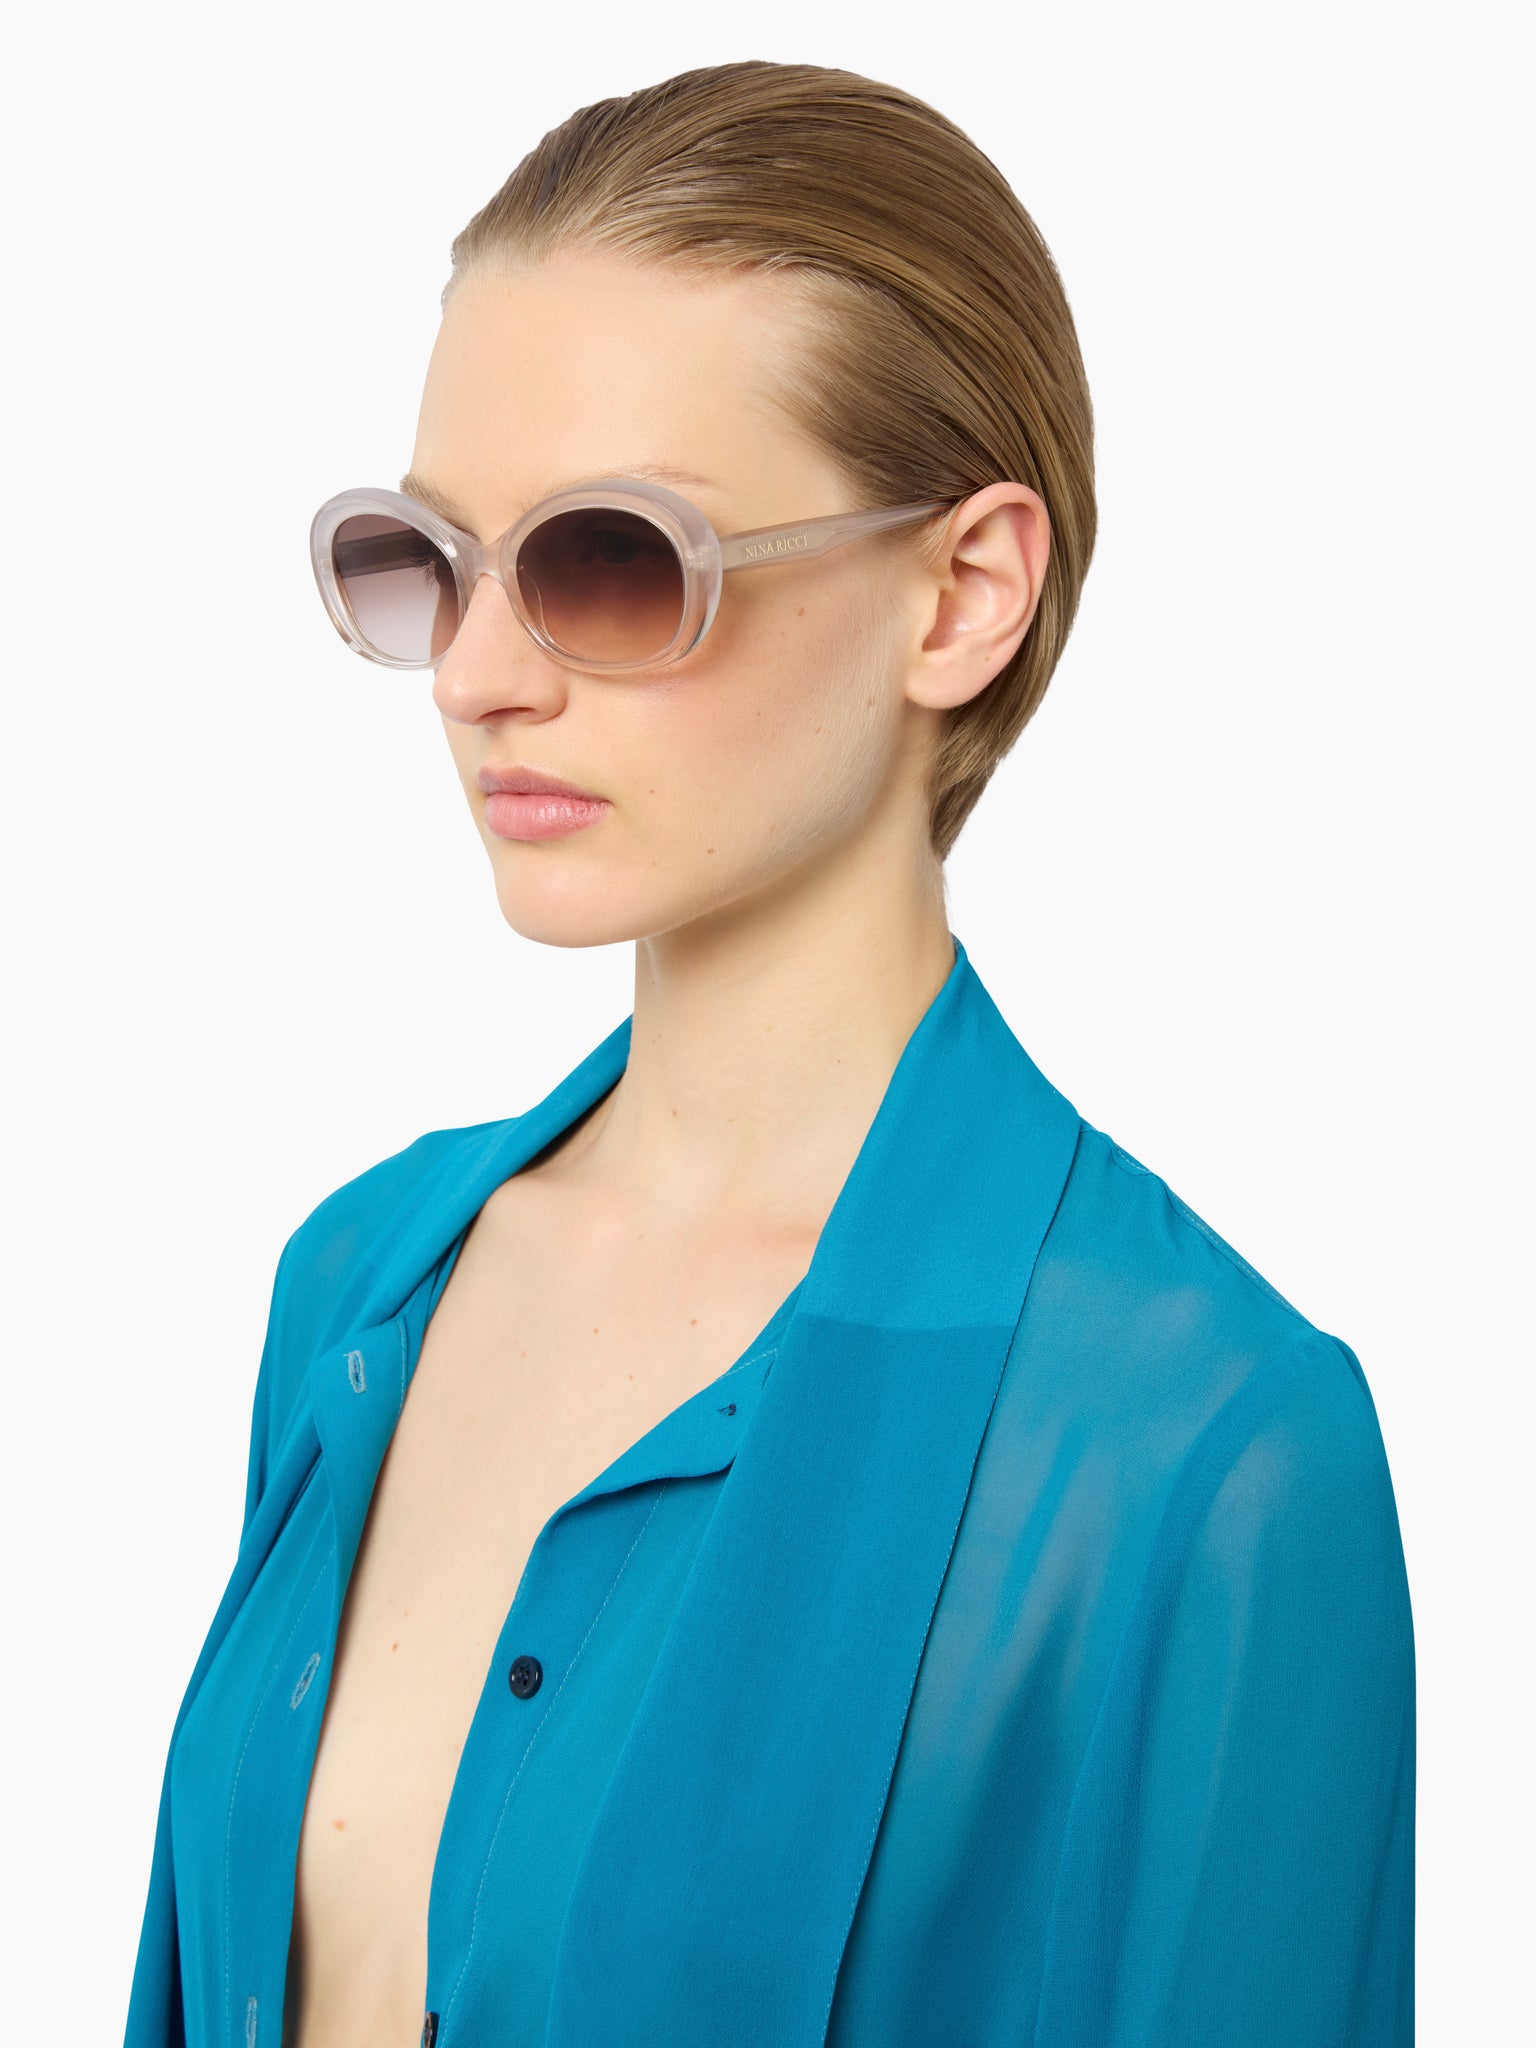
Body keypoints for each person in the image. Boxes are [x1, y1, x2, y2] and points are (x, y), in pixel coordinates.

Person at [124, 59, 1415, 2048]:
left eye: (613, 559)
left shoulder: (1203, 1449)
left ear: (961, 595)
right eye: (430, 559)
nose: (478, 672)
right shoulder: (360, 1283)